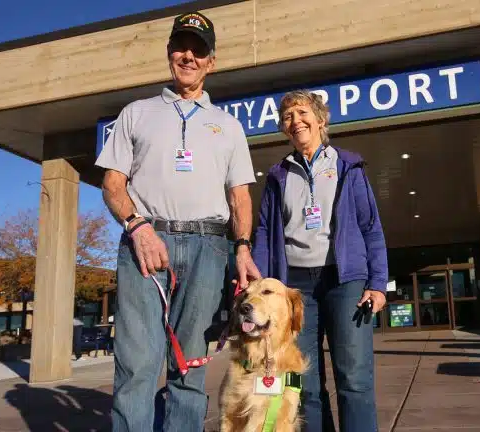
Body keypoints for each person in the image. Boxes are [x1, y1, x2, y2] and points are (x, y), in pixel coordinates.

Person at [95, 11, 260, 432]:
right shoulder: (136, 113)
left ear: (211, 61)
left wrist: (242, 248)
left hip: (209, 247)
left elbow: (239, 196)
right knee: (138, 362)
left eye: (198, 50)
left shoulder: (229, 126)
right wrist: (138, 227)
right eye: (181, 47)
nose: (188, 56)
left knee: (190, 366)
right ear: (169, 53)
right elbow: (113, 184)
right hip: (147, 243)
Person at [252, 90, 389, 431]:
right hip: (295, 289)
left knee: (354, 378)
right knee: (304, 380)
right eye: (288, 117)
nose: (295, 121)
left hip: (345, 282)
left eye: (301, 113)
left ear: (320, 120)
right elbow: (264, 234)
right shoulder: (277, 176)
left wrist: (378, 283)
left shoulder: (348, 166)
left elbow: (371, 227)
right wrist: (258, 291)